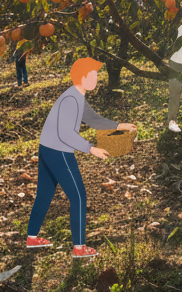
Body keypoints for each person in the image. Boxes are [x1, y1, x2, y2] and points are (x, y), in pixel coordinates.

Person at [25, 58, 136, 259]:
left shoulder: (76, 96)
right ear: (83, 77)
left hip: (47, 147)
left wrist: (119, 126)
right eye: (93, 75)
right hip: (59, 150)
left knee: (44, 194)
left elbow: (93, 120)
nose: (96, 79)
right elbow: (65, 133)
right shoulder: (71, 99)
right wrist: (91, 148)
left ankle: (32, 237)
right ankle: (79, 247)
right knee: (78, 196)